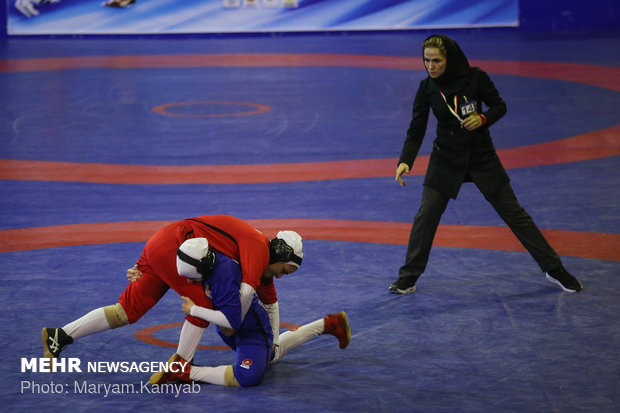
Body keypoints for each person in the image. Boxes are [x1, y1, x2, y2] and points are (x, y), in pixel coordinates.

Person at [389, 34, 582, 295]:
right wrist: (405, 161)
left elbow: (499, 106)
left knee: (514, 214)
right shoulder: (427, 89)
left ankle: (554, 269)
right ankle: (409, 277)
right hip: (445, 159)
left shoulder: (476, 77)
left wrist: (483, 118)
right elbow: (416, 130)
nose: (430, 66)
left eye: (436, 60)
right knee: (426, 216)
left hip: (481, 157)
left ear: (450, 59)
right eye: (426, 60)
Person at [42, 215, 303, 366]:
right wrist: (232, 324)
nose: (281, 276)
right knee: (201, 305)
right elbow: (245, 294)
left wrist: (275, 344)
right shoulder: (258, 248)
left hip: (169, 247)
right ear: (280, 254)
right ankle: (180, 365)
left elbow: (271, 305)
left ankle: (60, 335)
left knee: (126, 312)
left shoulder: (266, 270)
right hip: (174, 249)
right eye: (285, 270)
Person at [149, 246, 350, 388]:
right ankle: (328, 324)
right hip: (237, 327)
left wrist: (194, 310)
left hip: (248, 329)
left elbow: (235, 321)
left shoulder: (228, 275)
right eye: (282, 271)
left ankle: (184, 372)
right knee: (268, 355)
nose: (187, 282)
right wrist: (144, 271)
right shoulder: (209, 261)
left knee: (248, 375)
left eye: (191, 278)